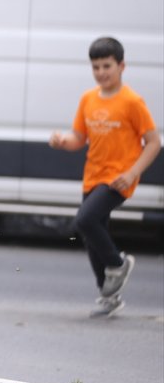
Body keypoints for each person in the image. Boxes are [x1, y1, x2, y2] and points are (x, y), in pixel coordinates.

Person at [49, 37, 160, 318]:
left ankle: (118, 263)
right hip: (92, 176)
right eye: (96, 67)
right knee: (92, 235)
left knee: (84, 220)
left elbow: (154, 142)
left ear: (122, 66)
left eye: (107, 66)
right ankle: (109, 296)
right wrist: (63, 141)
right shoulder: (88, 99)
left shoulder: (132, 101)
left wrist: (133, 172)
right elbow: (79, 138)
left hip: (118, 179)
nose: (101, 72)